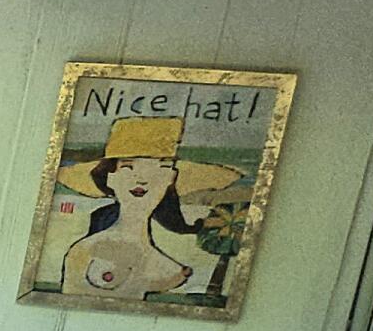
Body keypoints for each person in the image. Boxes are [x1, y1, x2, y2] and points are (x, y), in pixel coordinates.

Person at [42, 114, 247, 300]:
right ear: (110, 177)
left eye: (159, 168)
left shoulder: (172, 270)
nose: (141, 179)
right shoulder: (85, 251)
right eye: (128, 167)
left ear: (170, 178)